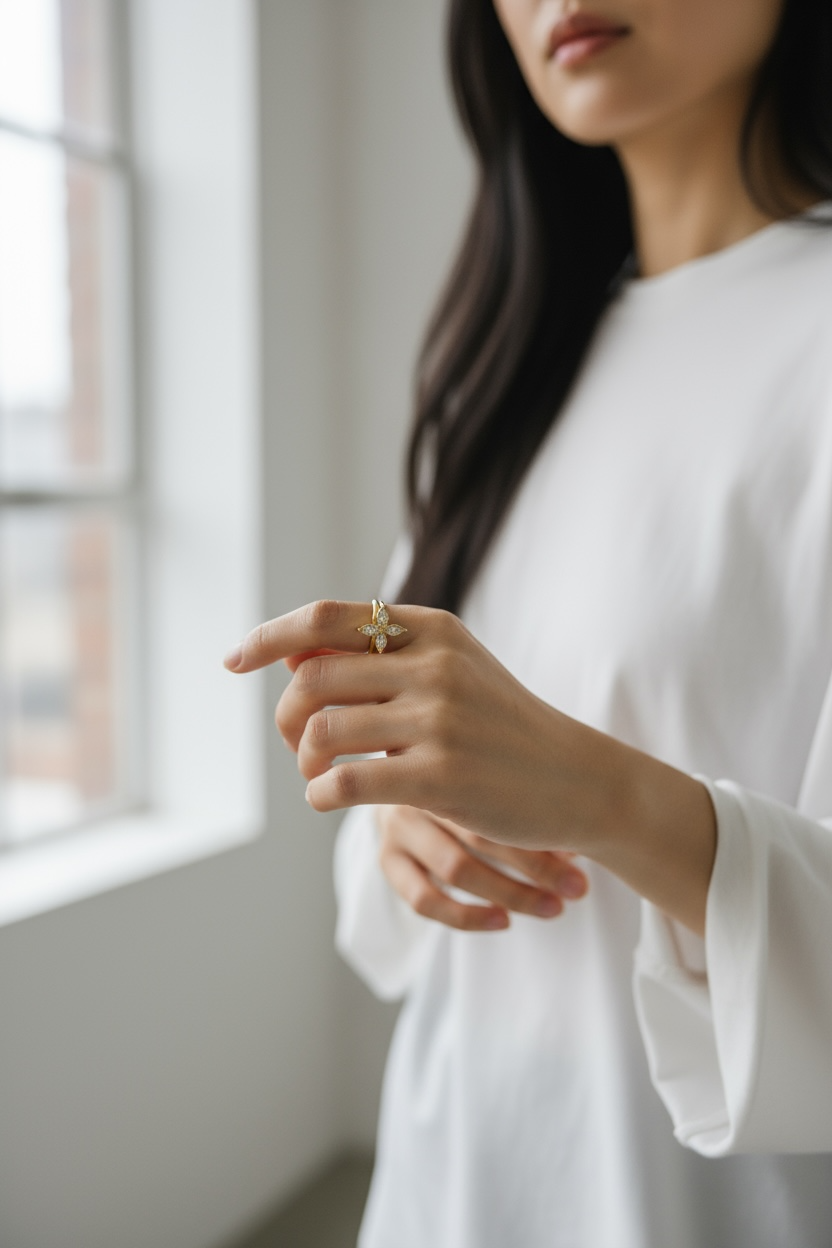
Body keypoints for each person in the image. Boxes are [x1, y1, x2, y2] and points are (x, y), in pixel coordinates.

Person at [224, 0, 832, 1243]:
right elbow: (393, 909)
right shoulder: (510, 364)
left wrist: (605, 799)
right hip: (444, 1187)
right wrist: (402, 819)